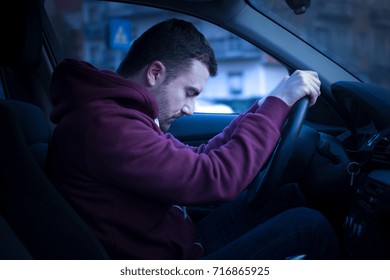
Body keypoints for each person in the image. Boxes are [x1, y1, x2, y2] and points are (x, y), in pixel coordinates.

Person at [45, 18, 339, 259]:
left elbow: (196, 158)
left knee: (287, 197)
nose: (190, 109)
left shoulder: (122, 115)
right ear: (155, 73)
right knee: (309, 228)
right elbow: (215, 177)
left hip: (182, 243)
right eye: (189, 92)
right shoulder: (107, 126)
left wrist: (266, 106)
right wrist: (278, 104)